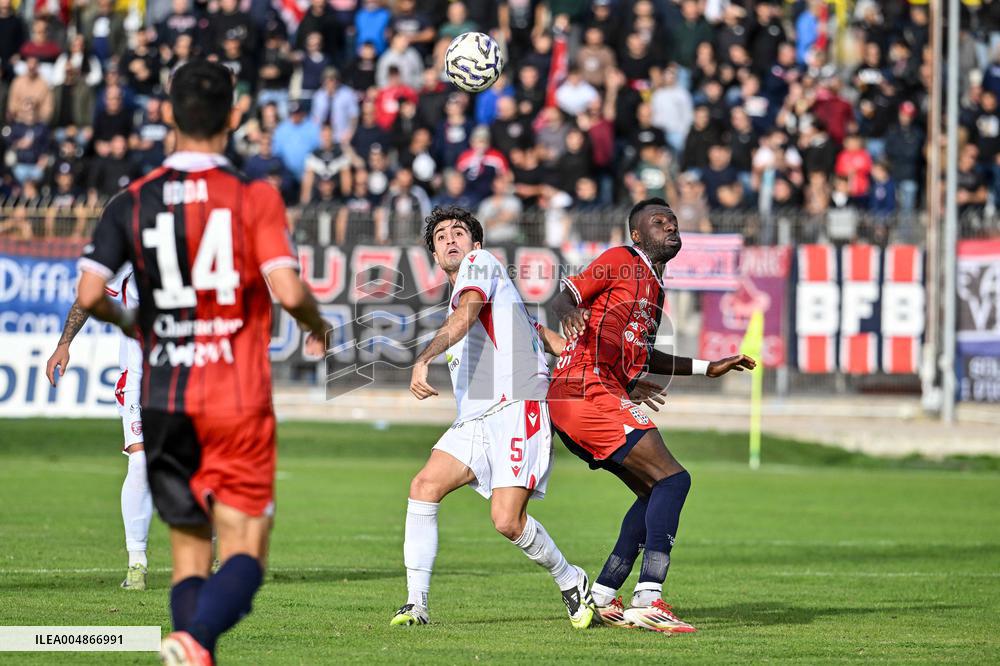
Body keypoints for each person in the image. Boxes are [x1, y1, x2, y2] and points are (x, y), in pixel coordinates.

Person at [72, 60, 330, 665]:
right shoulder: (253, 197)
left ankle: (189, 647)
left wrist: (138, 324)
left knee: (188, 554)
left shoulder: (131, 200)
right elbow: (289, 291)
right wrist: (316, 327)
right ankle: (193, 641)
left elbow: (89, 294)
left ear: (166, 114)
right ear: (234, 117)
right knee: (244, 551)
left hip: (163, 397)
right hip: (234, 398)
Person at [546, 198, 756, 632]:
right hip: (585, 389)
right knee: (674, 479)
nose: (671, 227)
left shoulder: (654, 286)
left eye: (674, 221)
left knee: (652, 492)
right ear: (638, 234)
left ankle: (603, 595)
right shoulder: (622, 259)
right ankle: (649, 596)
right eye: (659, 222)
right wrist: (568, 313)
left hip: (583, 396)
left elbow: (643, 355)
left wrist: (706, 368)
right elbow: (564, 295)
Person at [391, 206, 597, 629]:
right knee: (424, 486)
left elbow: (466, 315)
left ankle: (570, 578)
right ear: (433, 254)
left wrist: (423, 358)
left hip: (517, 406)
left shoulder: (479, 265)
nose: (451, 240)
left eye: (459, 232)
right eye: (441, 236)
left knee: (507, 520)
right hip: (477, 417)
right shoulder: (495, 294)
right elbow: (546, 337)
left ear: (476, 244)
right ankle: (416, 604)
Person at [45, 265, 152, 591]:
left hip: (189, 372)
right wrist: (65, 343)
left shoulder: (198, 238)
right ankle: (137, 564)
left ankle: (214, 549)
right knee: (140, 462)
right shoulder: (131, 240)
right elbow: (91, 294)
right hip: (139, 376)